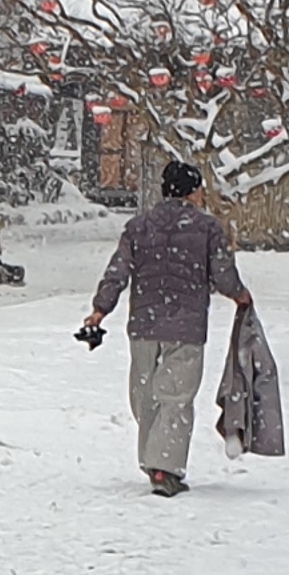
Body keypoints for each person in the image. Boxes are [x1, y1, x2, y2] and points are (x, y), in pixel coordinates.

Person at [78, 158, 256, 495]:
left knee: (146, 395)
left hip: (144, 325)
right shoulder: (207, 228)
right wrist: (239, 295)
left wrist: (100, 309)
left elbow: (117, 271)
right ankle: (164, 468)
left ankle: (153, 460)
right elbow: (223, 273)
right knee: (176, 396)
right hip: (185, 326)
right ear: (192, 191)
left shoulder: (139, 227)